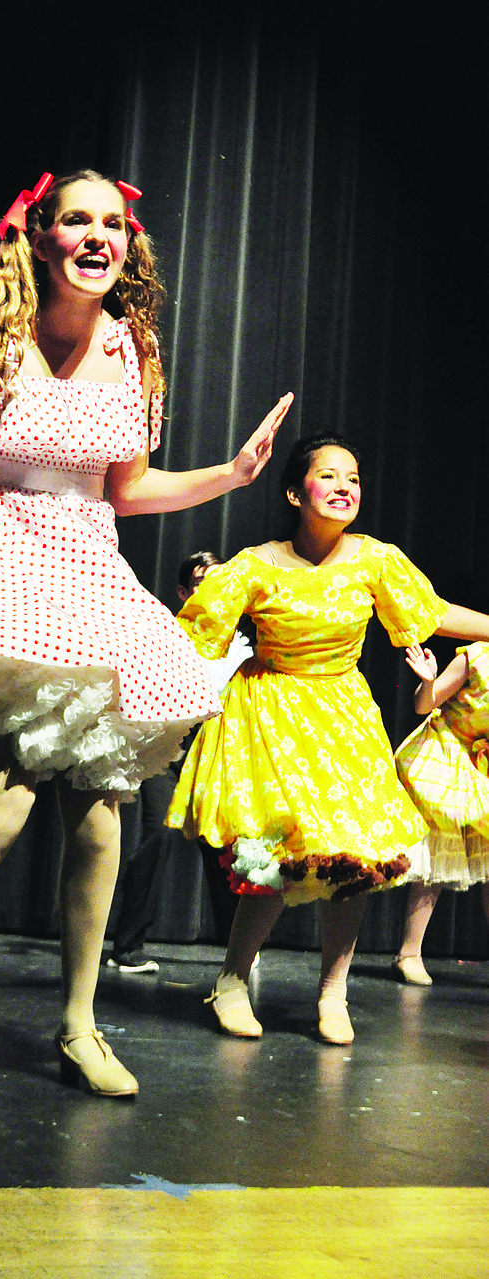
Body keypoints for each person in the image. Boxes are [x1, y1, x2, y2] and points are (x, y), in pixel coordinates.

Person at [0, 169, 292, 1096]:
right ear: (41, 235)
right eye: (79, 219)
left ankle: (77, 1024)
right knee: (10, 790)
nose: (99, 236)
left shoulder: (132, 348)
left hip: (85, 570)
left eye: (113, 223)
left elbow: (127, 490)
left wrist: (231, 476)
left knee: (104, 813)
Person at [166, 433, 489, 1045]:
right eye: (330, 476)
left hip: (343, 714)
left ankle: (332, 992)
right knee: (281, 854)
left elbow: (433, 610)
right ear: (294, 491)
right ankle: (232, 980)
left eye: (355, 479)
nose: (345, 487)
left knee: (357, 856)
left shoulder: (373, 559)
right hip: (272, 712)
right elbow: (191, 636)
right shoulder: (255, 566)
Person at [106, 551, 254, 974]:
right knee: (159, 838)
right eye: (200, 580)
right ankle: (127, 949)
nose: (210, 588)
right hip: (168, 750)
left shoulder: (239, 642)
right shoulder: (166, 632)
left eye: (217, 580)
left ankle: (238, 948)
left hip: (212, 755)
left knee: (221, 849)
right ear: (183, 590)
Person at [391, 641, 489, 984]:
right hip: (447, 752)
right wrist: (429, 682)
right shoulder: (476, 657)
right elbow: (423, 704)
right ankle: (409, 952)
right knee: (437, 852)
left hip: (482, 763)